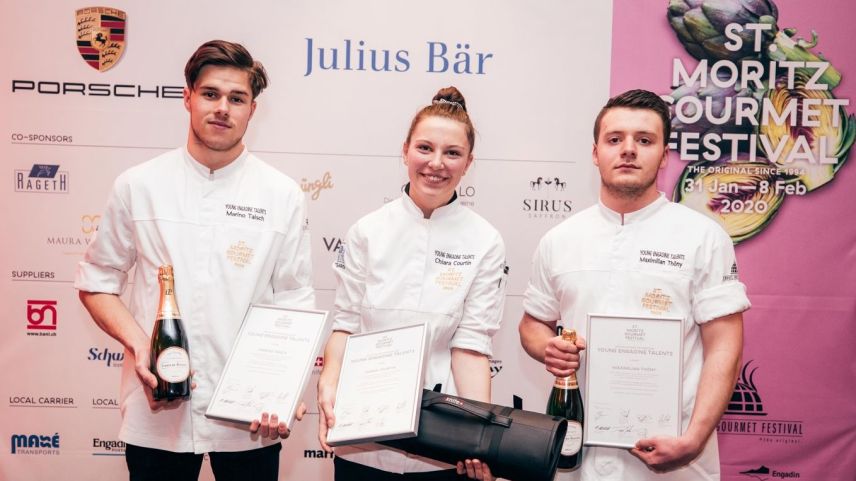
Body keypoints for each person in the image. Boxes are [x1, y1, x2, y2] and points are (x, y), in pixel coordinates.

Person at [74, 40, 314, 481]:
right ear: (187, 97)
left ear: (252, 110)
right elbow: (97, 280)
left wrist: (283, 386)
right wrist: (140, 345)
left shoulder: (282, 196)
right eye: (210, 94)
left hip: (250, 415)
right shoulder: (139, 185)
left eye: (236, 98)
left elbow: (294, 301)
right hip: (157, 411)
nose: (222, 108)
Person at [519, 89, 750, 481]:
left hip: (674, 457)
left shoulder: (703, 237)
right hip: (578, 459)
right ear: (596, 153)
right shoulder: (560, 239)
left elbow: (724, 345)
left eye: (644, 140)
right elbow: (532, 324)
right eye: (615, 140)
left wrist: (693, 439)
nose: (628, 150)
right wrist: (548, 348)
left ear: (664, 155)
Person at [317, 87, 508, 481]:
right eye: (425, 148)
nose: (436, 164)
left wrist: (476, 438)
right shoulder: (367, 231)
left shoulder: (484, 240)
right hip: (362, 436)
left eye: (452, 153)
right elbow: (346, 327)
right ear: (405, 150)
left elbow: (471, 348)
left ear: (469, 162)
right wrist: (328, 387)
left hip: (439, 445)